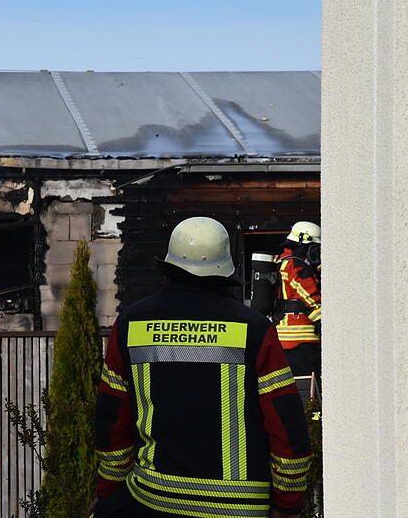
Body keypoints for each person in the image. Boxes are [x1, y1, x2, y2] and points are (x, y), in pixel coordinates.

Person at [92, 217, 313, 518]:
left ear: (168, 264)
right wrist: (288, 505)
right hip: (240, 508)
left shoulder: (131, 324)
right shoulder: (254, 329)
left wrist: (108, 495)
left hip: (155, 501)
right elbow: (286, 426)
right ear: (226, 269)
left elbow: (112, 422)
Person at [274, 221, 322, 398]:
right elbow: (310, 296)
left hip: (284, 337)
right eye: (314, 248)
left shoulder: (281, 261)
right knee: (311, 390)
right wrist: (324, 321)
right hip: (303, 339)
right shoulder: (297, 265)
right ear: (303, 243)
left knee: (295, 387)